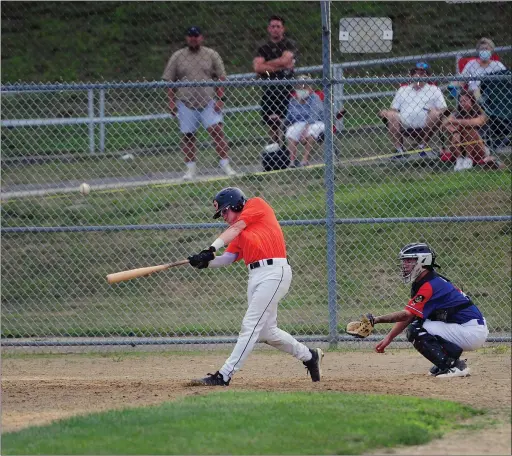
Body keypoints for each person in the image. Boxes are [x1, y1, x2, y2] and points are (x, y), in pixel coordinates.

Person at [187, 187, 323, 386]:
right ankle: (310, 356)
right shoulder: (240, 233)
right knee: (267, 332)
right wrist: (204, 262)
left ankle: (224, 375)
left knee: (249, 326)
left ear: (237, 204)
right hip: (255, 276)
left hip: (274, 272)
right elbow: (228, 257)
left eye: (225, 211)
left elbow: (233, 229)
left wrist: (210, 249)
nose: (224, 216)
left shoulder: (256, 205)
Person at [370, 243, 488, 378]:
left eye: (409, 260)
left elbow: (407, 315)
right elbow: (411, 315)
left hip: (470, 331)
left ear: (423, 261)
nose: (404, 264)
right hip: (466, 328)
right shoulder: (425, 281)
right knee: (420, 321)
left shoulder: (430, 285)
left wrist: (377, 319)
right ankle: (448, 362)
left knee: (416, 329)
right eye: (404, 261)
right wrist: (388, 338)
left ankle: (451, 366)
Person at [162, 26, 236, 181]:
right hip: (186, 102)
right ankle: (191, 170)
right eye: (190, 36)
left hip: (208, 101)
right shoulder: (178, 56)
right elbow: (169, 80)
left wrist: (220, 99)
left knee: (217, 131)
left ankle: (225, 165)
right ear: (186, 38)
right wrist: (171, 102)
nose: (193, 39)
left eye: (196, 36)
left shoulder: (211, 54)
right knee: (188, 136)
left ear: (201, 37)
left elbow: (221, 77)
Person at [379, 62, 447, 159]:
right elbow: (393, 109)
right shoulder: (403, 90)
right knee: (391, 115)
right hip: (405, 122)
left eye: (423, 73)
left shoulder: (434, 89)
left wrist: (435, 110)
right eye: (416, 73)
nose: (419, 75)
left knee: (436, 113)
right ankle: (400, 151)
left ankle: (422, 147)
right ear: (412, 75)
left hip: (427, 122)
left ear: (427, 76)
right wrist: (386, 112)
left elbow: (444, 108)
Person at [253, 16, 298, 156]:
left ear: (283, 29)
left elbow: (286, 60)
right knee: (273, 123)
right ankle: (276, 152)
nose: (275, 29)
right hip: (269, 91)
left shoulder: (289, 44)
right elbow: (258, 68)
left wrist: (267, 66)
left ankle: (290, 154)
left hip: (286, 89)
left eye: (278, 26)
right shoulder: (263, 47)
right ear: (268, 29)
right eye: (272, 26)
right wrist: (280, 66)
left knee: (288, 123)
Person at [443, 89, 505, 171]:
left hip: (479, 148)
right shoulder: (457, 113)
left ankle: (469, 159)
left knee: (470, 129)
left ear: (472, 101)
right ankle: (460, 160)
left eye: (465, 101)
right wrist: (455, 130)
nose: (463, 104)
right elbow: (445, 123)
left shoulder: (481, 112)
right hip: (460, 147)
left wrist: (456, 122)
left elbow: (476, 122)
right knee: (456, 135)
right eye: (461, 102)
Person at [284, 75, 325, 168]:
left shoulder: (314, 98)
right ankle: (292, 161)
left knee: (311, 131)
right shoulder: (293, 100)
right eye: (299, 87)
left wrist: (304, 132)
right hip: (300, 123)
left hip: (316, 122)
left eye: (305, 87)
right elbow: (289, 117)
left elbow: (313, 116)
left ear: (311, 88)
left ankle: (305, 160)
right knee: (291, 131)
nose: (302, 89)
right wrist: (283, 122)